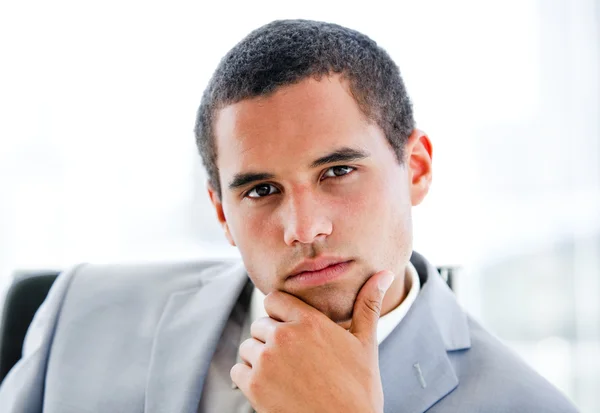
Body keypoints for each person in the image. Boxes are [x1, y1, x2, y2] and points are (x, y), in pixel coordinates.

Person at [0, 19, 578, 413]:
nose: (304, 228)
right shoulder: (80, 311)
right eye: (260, 190)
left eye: (337, 172)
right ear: (221, 212)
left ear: (418, 169)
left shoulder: (525, 404)